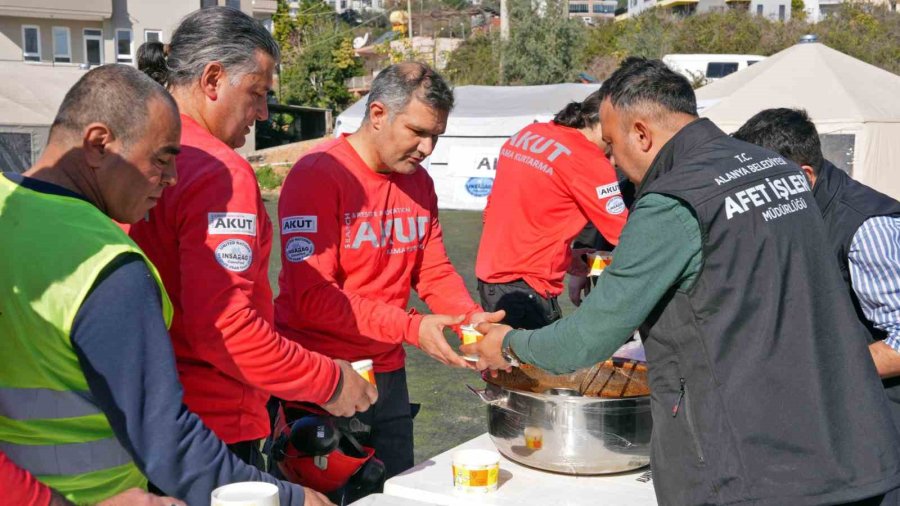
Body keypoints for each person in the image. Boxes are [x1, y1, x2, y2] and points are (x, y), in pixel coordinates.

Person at [463, 57, 900, 505]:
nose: (612, 163)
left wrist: (510, 343)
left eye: (611, 146)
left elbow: (584, 340)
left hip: (747, 466)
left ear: (641, 133)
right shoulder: (778, 169)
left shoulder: (673, 201)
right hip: (843, 444)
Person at [0, 64, 330, 505]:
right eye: (161, 158)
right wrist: (292, 499)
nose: (172, 177)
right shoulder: (106, 265)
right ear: (99, 144)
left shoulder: (8, 210)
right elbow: (168, 442)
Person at [129, 6, 376, 471]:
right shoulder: (220, 173)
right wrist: (329, 380)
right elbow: (227, 330)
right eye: (257, 93)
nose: (263, 113)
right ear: (213, 80)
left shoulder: (133, 152)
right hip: (213, 426)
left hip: (141, 414)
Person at [275, 62, 502, 480]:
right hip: (321, 376)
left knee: (395, 489)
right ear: (377, 114)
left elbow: (432, 271)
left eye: (436, 135)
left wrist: (473, 321)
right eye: (418, 132)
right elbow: (312, 297)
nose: (428, 148)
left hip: (388, 375)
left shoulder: (418, 182)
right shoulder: (318, 176)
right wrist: (413, 328)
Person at [733, 107, 900, 411]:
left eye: (761, 184)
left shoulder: (866, 228)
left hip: (878, 415)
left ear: (803, 176)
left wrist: (807, 372)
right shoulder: (799, 210)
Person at [475, 90, 628, 328]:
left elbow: (503, 214)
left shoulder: (527, 134)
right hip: (527, 291)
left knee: (501, 361)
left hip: (492, 281)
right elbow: (626, 235)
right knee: (544, 363)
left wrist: (563, 258)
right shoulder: (590, 160)